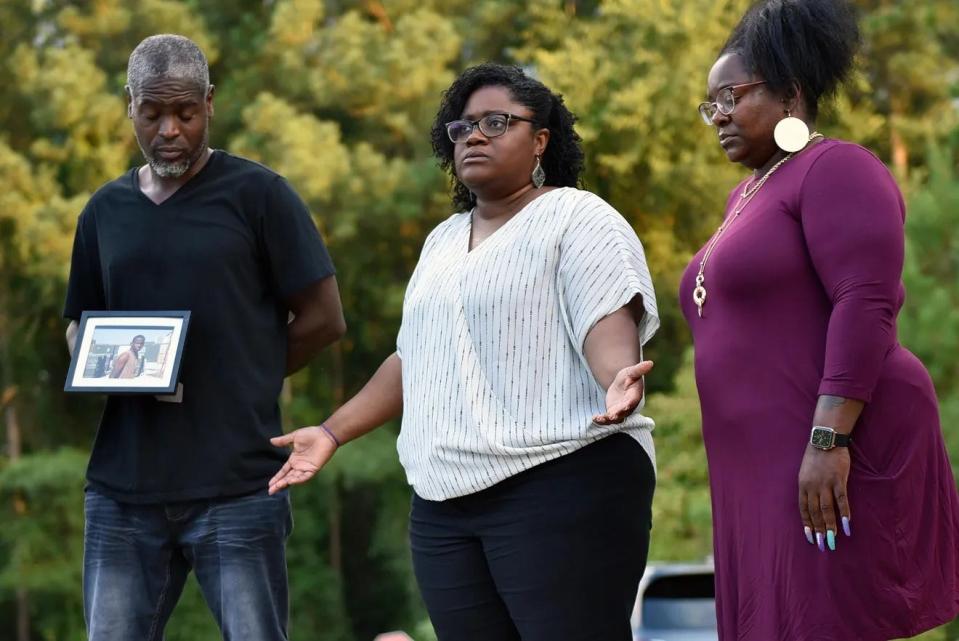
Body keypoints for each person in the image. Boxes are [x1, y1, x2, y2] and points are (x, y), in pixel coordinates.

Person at [269, 63, 660, 641]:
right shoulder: (443, 240)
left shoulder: (577, 217)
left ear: (541, 141)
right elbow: (413, 360)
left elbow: (604, 321)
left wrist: (618, 376)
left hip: (561, 478)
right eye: (463, 126)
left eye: (496, 122)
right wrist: (330, 433)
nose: (474, 136)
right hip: (444, 501)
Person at [680, 1, 959, 639]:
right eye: (710, 103)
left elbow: (866, 300)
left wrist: (827, 442)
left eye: (733, 95)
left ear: (791, 96)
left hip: (825, 448)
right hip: (753, 469)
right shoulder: (745, 196)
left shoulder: (836, 168)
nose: (718, 114)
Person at [63, 34, 345, 641]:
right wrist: (104, 366)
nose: (170, 130)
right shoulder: (103, 211)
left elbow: (325, 318)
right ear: (129, 105)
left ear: (210, 103)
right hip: (121, 490)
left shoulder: (259, 195)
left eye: (185, 113)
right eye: (153, 113)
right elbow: (77, 322)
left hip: (238, 485)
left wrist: (246, 371)